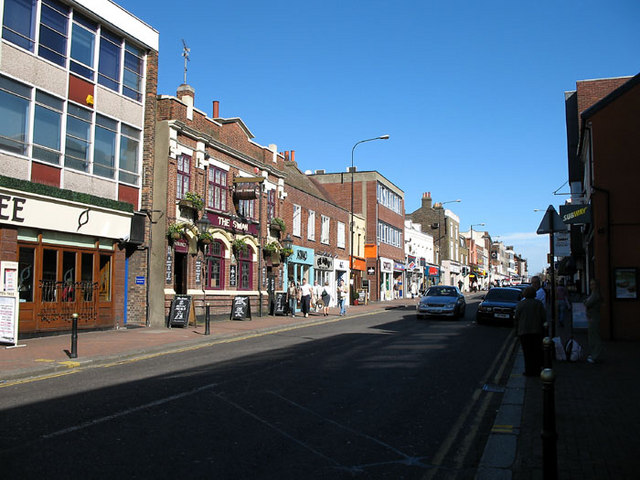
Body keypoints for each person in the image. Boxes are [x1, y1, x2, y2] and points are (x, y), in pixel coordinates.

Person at [514, 286, 546, 376]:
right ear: (534, 294)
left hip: (524, 332)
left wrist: (516, 331)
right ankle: (536, 369)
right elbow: (544, 317)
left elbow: (516, 318)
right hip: (537, 331)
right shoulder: (538, 304)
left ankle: (528, 370)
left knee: (527, 352)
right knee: (536, 351)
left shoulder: (521, 304)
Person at [584, 278, 603, 364]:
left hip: (594, 318)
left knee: (595, 337)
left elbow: (587, 303)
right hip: (591, 317)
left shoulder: (595, 295)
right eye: (591, 284)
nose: (592, 286)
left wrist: (586, 302)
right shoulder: (593, 294)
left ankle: (595, 355)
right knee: (592, 336)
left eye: (593, 284)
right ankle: (593, 354)